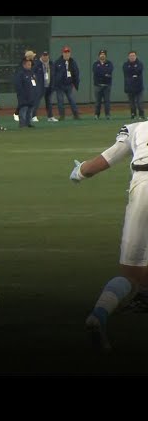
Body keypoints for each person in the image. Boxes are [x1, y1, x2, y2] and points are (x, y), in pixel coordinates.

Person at [70, 121, 148, 351]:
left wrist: (80, 171)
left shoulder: (137, 128)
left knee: (130, 274)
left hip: (143, 186)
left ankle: (99, 314)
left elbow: (107, 159)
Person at [54, 46, 80, 120]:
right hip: (60, 85)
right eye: (65, 52)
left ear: (70, 53)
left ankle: (76, 115)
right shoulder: (58, 62)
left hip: (69, 85)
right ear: (62, 53)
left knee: (72, 100)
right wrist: (56, 83)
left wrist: (76, 83)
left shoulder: (72, 62)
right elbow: (54, 73)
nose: (66, 54)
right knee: (60, 101)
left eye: (68, 52)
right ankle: (62, 116)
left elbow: (76, 73)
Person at [31, 51, 57, 122]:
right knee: (37, 101)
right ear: (41, 56)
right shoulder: (37, 64)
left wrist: (53, 84)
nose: (45, 57)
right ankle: (33, 116)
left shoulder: (51, 63)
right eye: (44, 55)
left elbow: (53, 74)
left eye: (46, 55)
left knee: (48, 101)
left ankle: (50, 116)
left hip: (49, 85)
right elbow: (32, 74)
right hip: (40, 86)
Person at [14, 57, 37, 128]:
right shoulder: (21, 74)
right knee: (23, 110)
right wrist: (22, 94)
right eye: (28, 64)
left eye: (30, 64)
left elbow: (35, 83)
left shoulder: (32, 73)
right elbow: (18, 85)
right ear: (24, 65)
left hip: (31, 95)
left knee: (29, 111)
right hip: (23, 96)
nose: (29, 66)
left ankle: (28, 123)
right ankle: (22, 124)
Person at [122, 50, 144, 120]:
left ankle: (141, 115)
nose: (132, 57)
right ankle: (133, 114)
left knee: (139, 103)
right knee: (132, 103)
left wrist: (133, 72)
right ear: (128, 57)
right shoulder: (125, 64)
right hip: (129, 87)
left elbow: (138, 70)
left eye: (133, 56)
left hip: (138, 87)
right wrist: (133, 74)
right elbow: (127, 72)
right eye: (131, 56)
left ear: (136, 56)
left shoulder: (140, 64)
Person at [92, 49, 113, 120]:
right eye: (101, 54)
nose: (102, 55)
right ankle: (96, 115)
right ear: (99, 56)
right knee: (98, 102)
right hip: (98, 85)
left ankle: (107, 115)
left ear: (105, 56)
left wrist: (103, 73)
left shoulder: (109, 63)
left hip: (107, 85)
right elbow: (96, 72)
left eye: (103, 54)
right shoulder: (95, 64)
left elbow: (109, 71)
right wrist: (105, 74)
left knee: (107, 101)